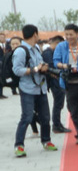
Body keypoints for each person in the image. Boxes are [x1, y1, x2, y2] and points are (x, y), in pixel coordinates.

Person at [12, 25, 58, 158]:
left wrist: (45, 68)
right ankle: (19, 145)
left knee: (45, 117)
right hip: (27, 89)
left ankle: (46, 141)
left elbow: (40, 63)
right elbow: (17, 70)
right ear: (35, 34)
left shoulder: (36, 48)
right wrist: (36, 69)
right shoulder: (21, 51)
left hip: (40, 88)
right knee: (26, 117)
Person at [42, 35, 70, 133]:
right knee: (58, 103)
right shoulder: (48, 53)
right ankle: (56, 125)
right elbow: (50, 68)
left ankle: (57, 124)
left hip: (58, 80)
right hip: (55, 81)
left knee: (59, 103)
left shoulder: (52, 52)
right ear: (57, 43)